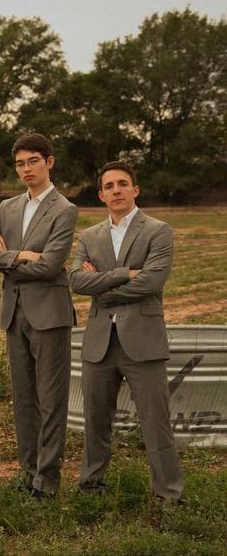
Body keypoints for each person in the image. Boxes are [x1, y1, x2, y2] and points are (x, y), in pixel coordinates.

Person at [69, 161, 184, 503]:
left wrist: (101, 286)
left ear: (135, 190)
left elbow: (153, 280)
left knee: (155, 423)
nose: (116, 190)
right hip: (99, 344)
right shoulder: (89, 236)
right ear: (101, 194)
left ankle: (170, 496)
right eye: (109, 186)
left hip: (143, 343)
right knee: (95, 422)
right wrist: (124, 274)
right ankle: (91, 489)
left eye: (122, 184)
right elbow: (76, 280)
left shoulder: (158, 230)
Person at [0, 132, 77, 499]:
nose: (26, 169)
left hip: (49, 314)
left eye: (33, 161)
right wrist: (21, 256)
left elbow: (50, 266)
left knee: (51, 400)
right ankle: (28, 471)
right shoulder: (7, 208)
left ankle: (47, 481)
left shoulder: (64, 209)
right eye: (20, 163)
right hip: (13, 313)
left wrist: (9, 258)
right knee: (24, 399)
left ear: (49, 162)